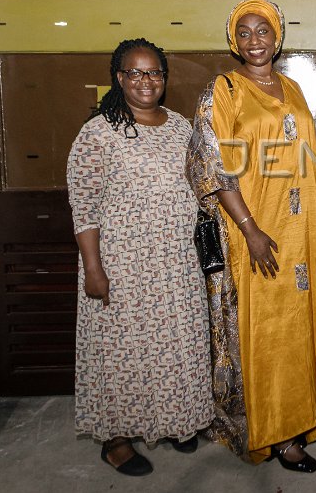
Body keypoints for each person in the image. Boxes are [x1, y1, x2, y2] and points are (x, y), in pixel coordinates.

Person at [186, 0, 316, 473]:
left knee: (299, 328)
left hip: (300, 235)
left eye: (263, 31)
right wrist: (251, 229)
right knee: (268, 333)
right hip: (254, 233)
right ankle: (276, 432)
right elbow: (210, 165)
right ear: (233, 41)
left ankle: (303, 417)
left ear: (278, 38)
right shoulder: (224, 90)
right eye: (245, 32)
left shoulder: (292, 87)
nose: (254, 40)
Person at [68, 38, 212, 477]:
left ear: (164, 78)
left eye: (154, 73)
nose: (145, 81)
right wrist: (93, 268)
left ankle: (174, 420)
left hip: (177, 263)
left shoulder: (180, 126)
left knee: (175, 346)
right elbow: (84, 206)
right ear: (119, 77)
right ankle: (116, 441)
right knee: (122, 353)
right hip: (123, 265)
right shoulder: (99, 132)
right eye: (135, 72)